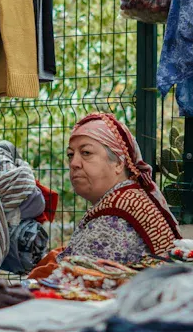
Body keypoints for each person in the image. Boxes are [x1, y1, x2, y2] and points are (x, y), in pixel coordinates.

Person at [29, 113, 180, 278]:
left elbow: (71, 281)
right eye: (71, 155)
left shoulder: (114, 220)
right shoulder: (129, 200)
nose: (74, 163)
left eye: (86, 153)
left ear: (118, 163)